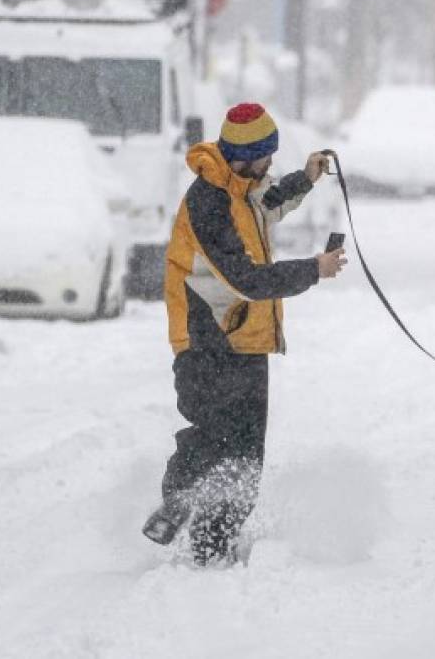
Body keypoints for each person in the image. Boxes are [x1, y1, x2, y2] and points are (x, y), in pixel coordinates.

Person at [142, 102, 347, 566]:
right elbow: (245, 279)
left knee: (245, 451)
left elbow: (267, 204)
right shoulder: (208, 201)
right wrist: (314, 268)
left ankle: (215, 541)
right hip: (203, 338)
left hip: (245, 340)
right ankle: (176, 502)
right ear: (246, 155)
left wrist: (306, 178)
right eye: (266, 156)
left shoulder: (242, 189)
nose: (271, 164)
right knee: (211, 433)